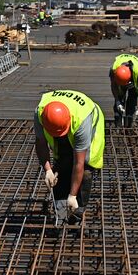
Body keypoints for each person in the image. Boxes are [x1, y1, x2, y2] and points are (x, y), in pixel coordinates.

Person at [35, 90, 105, 224]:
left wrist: (72, 196)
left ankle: (76, 213)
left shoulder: (82, 121)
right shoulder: (40, 113)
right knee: (61, 166)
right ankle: (61, 214)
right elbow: (40, 142)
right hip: (66, 121)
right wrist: (48, 170)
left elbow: (79, 163)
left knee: (85, 168)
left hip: (89, 122)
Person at [109, 54, 138, 127]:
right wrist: (117, 101)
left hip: (132, 71)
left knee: (133, 95)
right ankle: (118, 121)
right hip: (121, 72)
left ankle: (129, 120)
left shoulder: (137, 71)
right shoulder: (114, 70)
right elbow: (113, 86)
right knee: (120, 96)